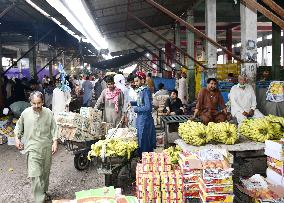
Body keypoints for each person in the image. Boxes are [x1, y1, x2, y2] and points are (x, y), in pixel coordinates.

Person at [14, 91, 58, 203]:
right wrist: (17, 139)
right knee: (35, 174)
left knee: (45, 173)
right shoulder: (25, 113)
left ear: (43, 102)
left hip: (46, 148)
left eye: (39, 103)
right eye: (34, 103)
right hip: (32, 148)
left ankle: (43, 192)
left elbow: (54, 128)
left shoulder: (48, 113)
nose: (36, 106)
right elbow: (18, 127)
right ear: (30, 102)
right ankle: (40, 200)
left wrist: (55, 142)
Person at [132, 71, 156, 155]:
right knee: (141, 138)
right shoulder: (140, 90)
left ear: (142, 81)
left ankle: (146, 159)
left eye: (137, 81)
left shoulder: (145, 90)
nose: (135, 83)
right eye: (135, 81)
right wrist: (132, 103)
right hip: (140, 118)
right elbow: (140, 103)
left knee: (144, 140)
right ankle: (143, 158)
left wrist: (136, 109)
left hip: (145, 119)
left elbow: (148, 107)